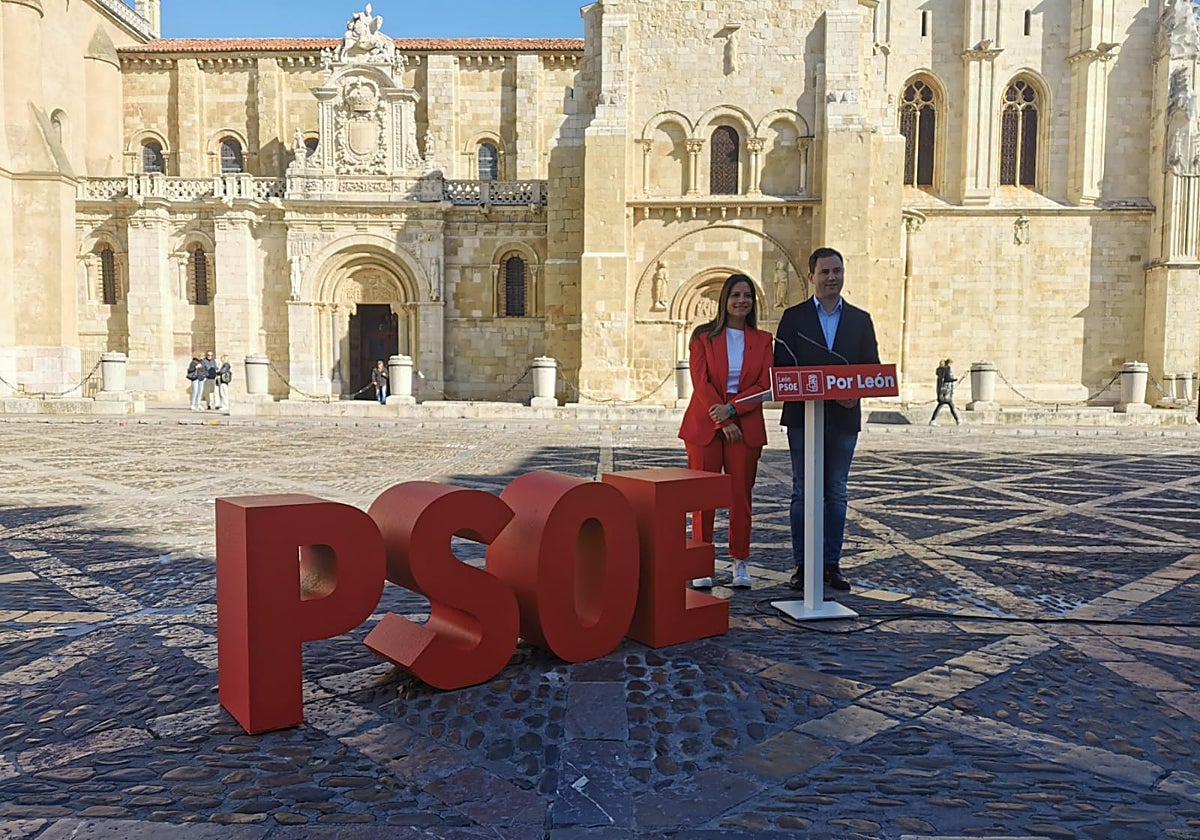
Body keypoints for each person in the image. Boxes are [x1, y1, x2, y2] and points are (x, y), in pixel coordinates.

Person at [774, 247, 880, 594]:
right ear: (811, 276)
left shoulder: (860, 319)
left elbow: (870, 367)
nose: (831, 278)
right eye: (824, 272)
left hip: (844, 419)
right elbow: (782, 369)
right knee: (803, 492)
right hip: (804, 418)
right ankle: (804, 566)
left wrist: (857, 392)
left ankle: (831, 565)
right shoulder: (793, 318)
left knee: (836, 492)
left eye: (837, 271)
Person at [678, 273, 774, 590]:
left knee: (739, 497)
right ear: (725, 300)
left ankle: (740, 562)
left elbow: (764, 385)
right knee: (702, 498)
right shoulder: (703, 337)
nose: (741, 300)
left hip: (744, 428)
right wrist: (722, 419)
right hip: (706, 426)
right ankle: (701, 563)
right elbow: (701, 382)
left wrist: (733, 411)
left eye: (747, 295)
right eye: (735, 295)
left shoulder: (762, 341)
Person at [930, 358, 960, 425]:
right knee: (950, 405)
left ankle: (933, 420)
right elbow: (947, 379)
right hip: (946, 392)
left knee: (944, 405)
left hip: (942, 391)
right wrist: (955, 379)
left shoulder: (940, 371)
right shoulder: (945, 370)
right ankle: (958, 420)